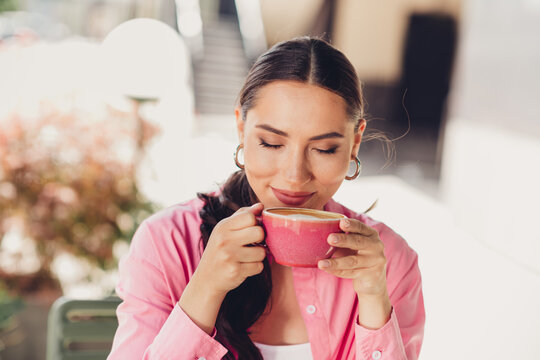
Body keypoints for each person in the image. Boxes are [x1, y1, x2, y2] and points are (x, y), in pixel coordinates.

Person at [107, 37, 425, 360]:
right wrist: (204, 289)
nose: (295, 175)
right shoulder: (167, 244)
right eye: (272, 143)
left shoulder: (390, 263)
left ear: (354, 143)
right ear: (241, 129)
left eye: (325, 149)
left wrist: (374, 302)